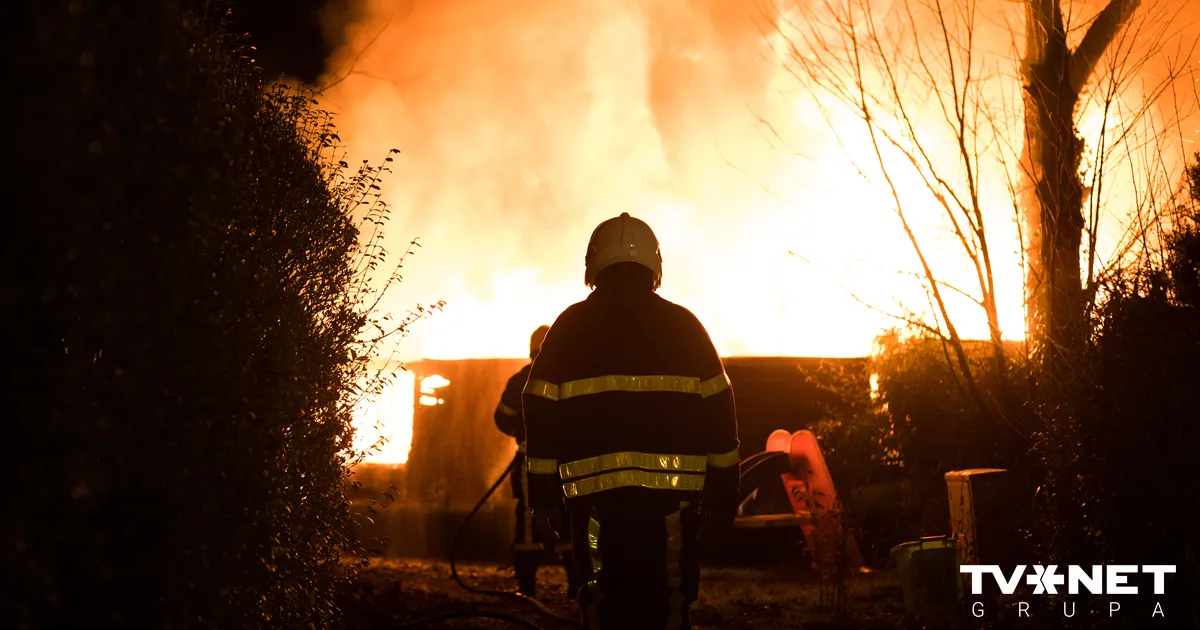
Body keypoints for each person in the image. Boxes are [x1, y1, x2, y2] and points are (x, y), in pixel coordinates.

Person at [522, 213, 740, 630]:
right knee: (670, 598)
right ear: (655, 268)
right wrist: (725, 490)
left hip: (596, 508)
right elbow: (719, 406)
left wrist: (543, 495)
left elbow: (538, 405)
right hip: (671, 508)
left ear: (593, 266)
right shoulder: (686, 327)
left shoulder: (569, 327)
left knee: (603, 599)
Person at [494, 325, 581, 598]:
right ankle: (577, 586)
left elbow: (502, 418)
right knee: (569, 517)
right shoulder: (572, 377)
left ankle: (527, 587)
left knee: (530, 519)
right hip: (567, 461)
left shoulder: (520, 379)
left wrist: (521, 435)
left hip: (529, 459)